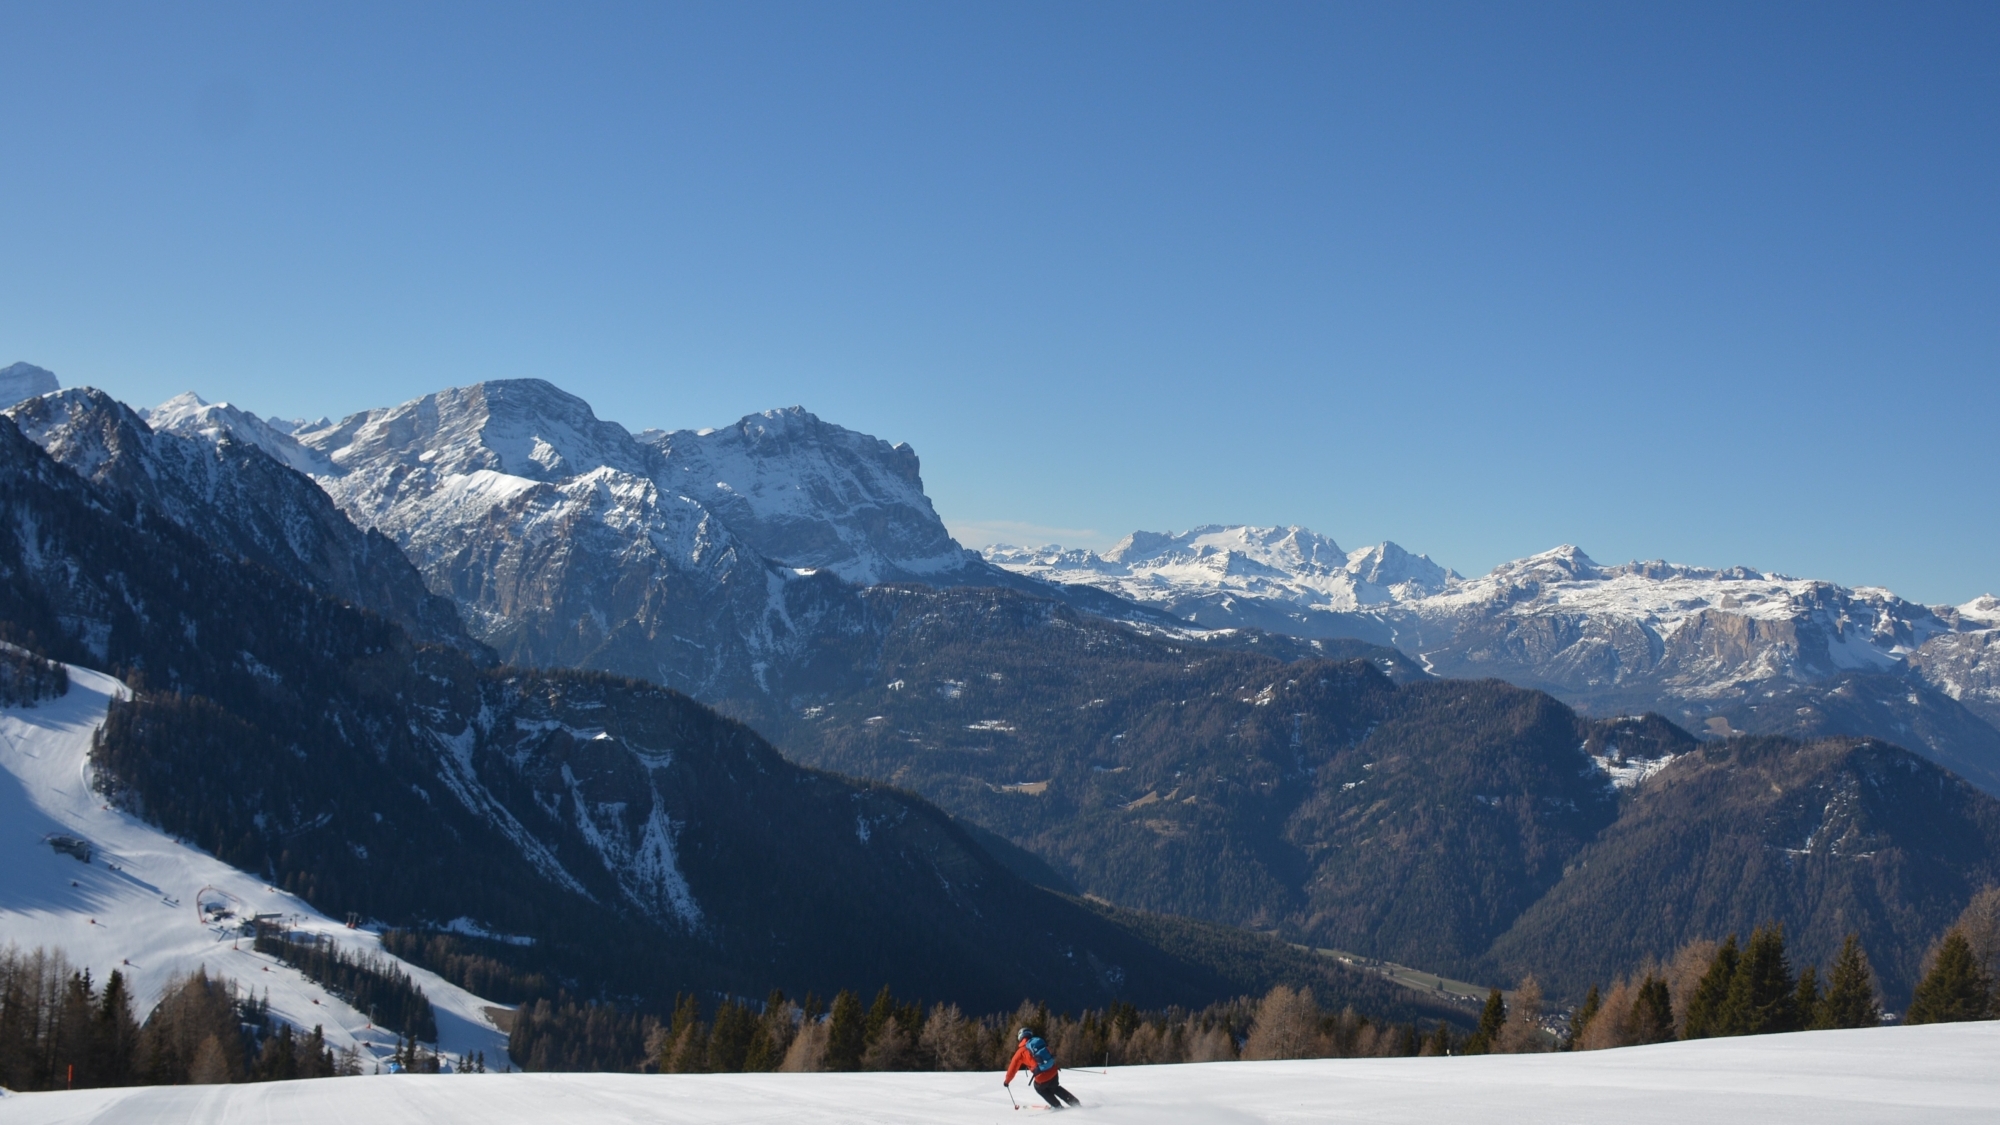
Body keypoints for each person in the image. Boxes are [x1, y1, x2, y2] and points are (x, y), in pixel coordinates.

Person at [1005, 1026, 1081, 1110]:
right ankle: (1075, 1103)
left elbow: (1013, 1068)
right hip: (1053, 1071)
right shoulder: (1039, 1041)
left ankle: (1057, 1106)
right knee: (1055, 1087)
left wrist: (1007, 1081)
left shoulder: (1021, 1052)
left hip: (1041, 1077)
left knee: (1039, 1088)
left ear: (1020, 1037)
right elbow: (1049, 1054)